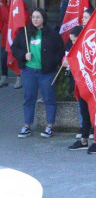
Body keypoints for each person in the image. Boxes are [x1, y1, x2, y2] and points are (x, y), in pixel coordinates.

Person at [13, 8, 65, 138]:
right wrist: (23, 55)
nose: (35, 19)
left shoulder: (52, 34)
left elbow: (60, 50)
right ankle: (27, 126)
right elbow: (15, 48)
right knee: (29, 98)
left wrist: (53, 62)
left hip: (46, 72)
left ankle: (49, 126)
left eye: (38, 17)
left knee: (49, 98)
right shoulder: (24, 32)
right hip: (28, 71)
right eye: (33, 17)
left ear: (43, 19)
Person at [64, 26, 96, 154]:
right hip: (81, 86)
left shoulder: (90, 49)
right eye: (71, 41)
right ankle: (84, 140)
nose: (73, 43)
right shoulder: (74, 50)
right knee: (85, 114)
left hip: (92, 86)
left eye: (74, 40)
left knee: (94, 113)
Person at [0, 0, 10, 87]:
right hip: (5, 35)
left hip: (16, 34)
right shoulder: (1, 6)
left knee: (16, 56)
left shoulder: (18, 4)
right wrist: (3, 28)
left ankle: (19, 77)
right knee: (4, 56)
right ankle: (4, 77)